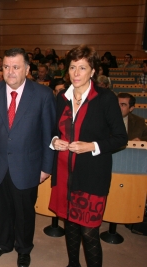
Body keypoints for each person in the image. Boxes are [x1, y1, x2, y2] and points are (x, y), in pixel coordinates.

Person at [49, 45, 127, 267]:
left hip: (92, 176)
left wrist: (91, 146)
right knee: (70, 227)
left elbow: (121, 137)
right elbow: (54, 131)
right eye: (72, 67)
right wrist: (55, 142)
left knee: (89, 232)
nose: (76, 73)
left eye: (82, 68)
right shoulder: (61, 98)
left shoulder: (105, 98)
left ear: (93, 71)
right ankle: (73, 264)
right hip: (65, 174)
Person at [0, 48, 56, 267]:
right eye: (6, 67)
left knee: (24, 212)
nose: (10, 72)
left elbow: (49, 135)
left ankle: (23, 248)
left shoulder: (43, 95)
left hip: (28, 165)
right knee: (2, 208)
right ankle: (3, 244)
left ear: (27, 69)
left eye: (16, 67)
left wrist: (46, 167)